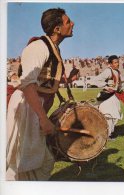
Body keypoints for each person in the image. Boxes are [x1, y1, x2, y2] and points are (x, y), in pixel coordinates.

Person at [6, 8, 74, 180]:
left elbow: (44, 82)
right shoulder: (38, 47)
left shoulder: (52, 48)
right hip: (28, 107)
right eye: (68, 22)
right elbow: (28, 84)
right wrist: (43, 118)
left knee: (35, 162)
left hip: (33, 107)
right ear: (57, 29)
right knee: (24, 162)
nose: (72, 24)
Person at [91, 55, 123, 139]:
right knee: (108, 115)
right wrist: (106, 85)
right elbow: (96, 80)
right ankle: (107, 134)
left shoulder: (118, 72)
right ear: (110, 64)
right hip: (107, 97)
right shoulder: (108, 71)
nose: (117, 64)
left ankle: (109, 132)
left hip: (114, 96)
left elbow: (118, 85)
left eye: (118, 62)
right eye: (115, 62)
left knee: (115, 115)